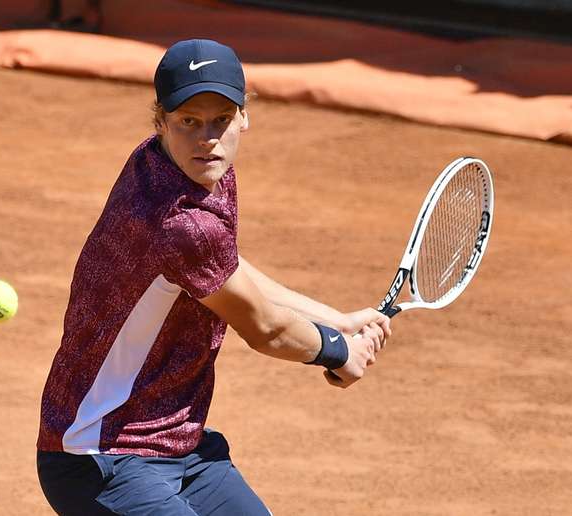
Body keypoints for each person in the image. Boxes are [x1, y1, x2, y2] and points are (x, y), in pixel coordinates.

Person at [36, 38, 391, 515]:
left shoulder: (176, 166)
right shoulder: (180, 220)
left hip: (181, 447)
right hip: (100, 455)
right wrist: (336, 351)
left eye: (221, 120)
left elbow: (222, 268)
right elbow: (265, 329)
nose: (208, 138)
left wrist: (337, 319)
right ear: (160, 121)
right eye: (189, 121)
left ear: (245, 116)